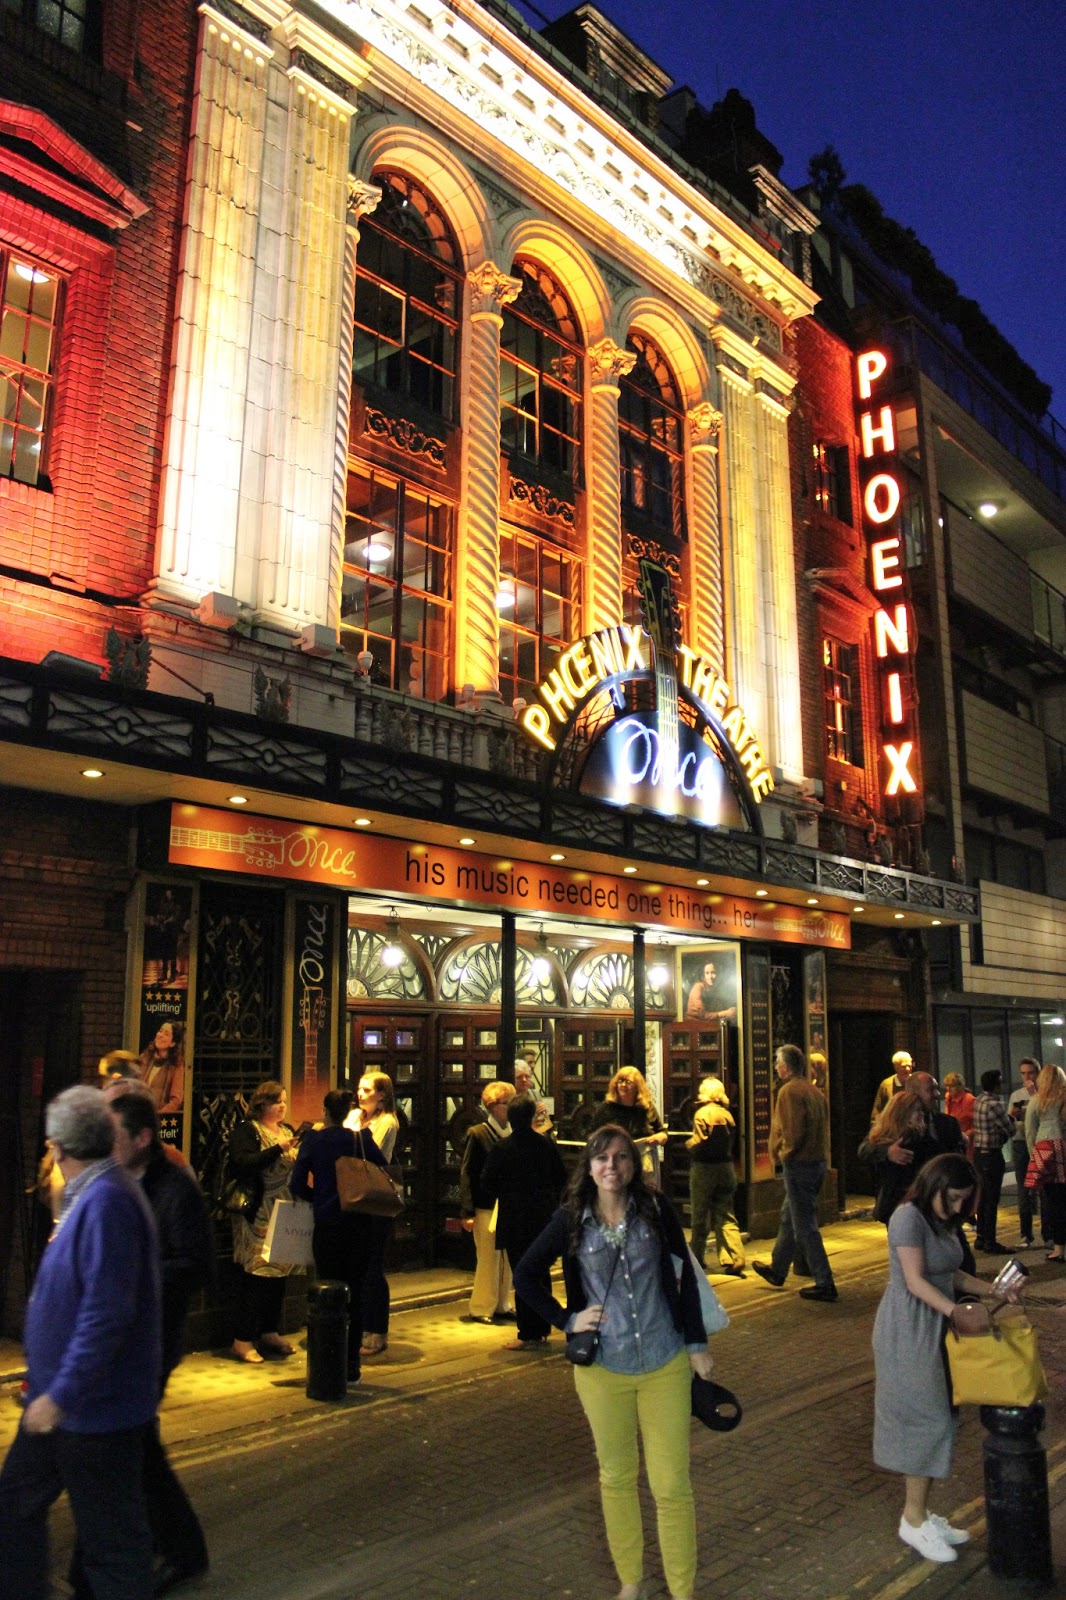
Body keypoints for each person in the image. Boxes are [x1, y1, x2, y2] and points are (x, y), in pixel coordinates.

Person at [513, 1125, 714, 1600]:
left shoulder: (656, 1208)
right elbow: (525, 1274)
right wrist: (568, 1320)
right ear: (588, 1165)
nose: (612, 1167)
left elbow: (684, 1278)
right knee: (618, 1478)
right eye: (602, 1158)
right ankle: (632, 1583)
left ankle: (684, 1591)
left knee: (671, 1485)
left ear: (633, 1165)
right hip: (604, 1368)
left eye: (622, 1158)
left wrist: (697, 1343)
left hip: (664, 1359)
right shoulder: (571, 1219)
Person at [0, 1085, 160, 1600]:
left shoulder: (108, 1201)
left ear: (60, 1146)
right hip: (61, 1403)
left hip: (93, 1410)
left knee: (112, 1545)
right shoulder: (87, 1195)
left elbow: (106, 1314)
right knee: (15, 1505)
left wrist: (60, 1394)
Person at [872, 1152, 1022, 1564]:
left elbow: (950, 1273)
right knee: (928, 1418)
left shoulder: (942, 1219)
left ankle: (920, 1513)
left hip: (939, 1326)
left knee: (944, 1418)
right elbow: (916, 1280)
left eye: (964, 1201)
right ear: (935, 1186)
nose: (958, 1208)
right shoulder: (907, 1217)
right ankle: (913, 1518)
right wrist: (955, 1310)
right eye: (953, 1198)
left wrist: (992, 1290)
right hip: (910, 1328)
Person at [95, 1085, 213, 1596]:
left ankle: (169, 1552)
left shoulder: (176, 1189)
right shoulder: (116, 1182)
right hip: (118, 1336)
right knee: (133, 1447)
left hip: (154, 1339)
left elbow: (195, 1265)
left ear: (143, 1137)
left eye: (114, 1134)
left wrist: (135, 1275)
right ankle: (166, 1550)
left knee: (132, 1446)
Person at [292, 1089, 388, 1384]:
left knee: (327, 1291)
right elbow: (382, 1165)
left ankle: (327, 1359)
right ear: (348, 1112)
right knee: (356, 1292)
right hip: (359, 1224)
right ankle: (352, 1365)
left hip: (327, 1226)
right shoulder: (361, 1139)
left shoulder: (315, 1141)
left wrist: (319, 1198)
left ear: (325, 1111)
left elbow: (296, 1184)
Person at [481, 1096, 568, 1349]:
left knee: (522, 1273)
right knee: (541, 1271)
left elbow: (487, 1182)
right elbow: (561, 1178)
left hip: (515, 1216)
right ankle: (544, 1324)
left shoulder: (503, 1148)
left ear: (510, 1116)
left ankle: (529, 1332)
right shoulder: (546, 1146)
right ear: (531, 1117)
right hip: (543, 1216)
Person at [752, 1044, 837, 1302]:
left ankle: (825, 1282)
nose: (775, 1067)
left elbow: (793, 1131)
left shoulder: (789, 1092)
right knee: (789, 1217)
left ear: (786, 1066)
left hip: (799, 1165)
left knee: (804, 1227)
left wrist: (784, 1155)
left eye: (777, 1062)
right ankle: (778, 1269)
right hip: (815, 1163)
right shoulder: (814, 1091)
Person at [227, 1080, 303, 1363]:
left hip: (286, 1209)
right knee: (256, 1276)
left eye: (284, 1101)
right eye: (276, 1102)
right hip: (259, 1211)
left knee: (278, 1275)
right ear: (262, 1105)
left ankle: (270, 1331)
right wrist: (277, 1150)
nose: (282, 1106)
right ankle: (242, 1338)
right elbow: (242, 1163)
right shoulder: (249, 1131)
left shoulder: (287, 1130)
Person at [344, 1071, 400, 1356]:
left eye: (367, 1090)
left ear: (382, 1095)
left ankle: (377, 1330)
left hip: (374, 1199)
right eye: (359, 1089)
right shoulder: (357, 1117)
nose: (360, 1094)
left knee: (373, 1267)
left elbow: (367, 1152)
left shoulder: (387, 1122)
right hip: (354, 1196)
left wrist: (352, 1130)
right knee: (358, 1264)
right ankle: (361, 1324)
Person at [459, 1080, 516, 1324]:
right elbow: (467, 1172)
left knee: (507, 1257)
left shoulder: (515, 1132)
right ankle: (482, 1306)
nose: (510, 1108)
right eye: (506, 1103)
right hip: (485, 1205)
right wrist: (467, 1210)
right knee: (488, 1257)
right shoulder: (478, 1133)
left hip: (509, 1204)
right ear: (493, 1106)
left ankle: (503, 1303)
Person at [685, 1075, 745, 1276]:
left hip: (704, 1169)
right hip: (726, 1168)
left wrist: (688, 1145)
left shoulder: (702, 1113)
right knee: (726, 1215)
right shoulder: (727, 1114)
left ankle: (696, 1258)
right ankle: (735, 1256)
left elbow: (700, 1140)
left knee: (700, 1216)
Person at [859, 1090, 929, 1224]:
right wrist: (887, 1152)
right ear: (903, 1113)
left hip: (901, 1203)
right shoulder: (905, 1136)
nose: (922, 1114)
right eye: (917, 1111)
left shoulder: (918, 1134)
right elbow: (864, 1150)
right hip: (902, 1202)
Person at [592, 1067, 668, 1184]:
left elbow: (662, 1132)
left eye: (628, 1082)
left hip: (644, 1160)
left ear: (638, 1086)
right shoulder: (606, 1108)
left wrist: (660, 1138)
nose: (623, 1085)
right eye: (620, 1081)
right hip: (615, 1160)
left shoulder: (646, 1108)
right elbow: (593, 1135)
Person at [1024, 1063, 1066, 1263]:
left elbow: (1030, 1130)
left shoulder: (1036, 1101)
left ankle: (1058, 1248)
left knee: (1053, 1200)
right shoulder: (1064, 1099)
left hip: (1044, 1149)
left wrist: (1033, 1154)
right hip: (1064, 1148)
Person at [971, 1069, 1013, 1254]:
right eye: (1000, 1082)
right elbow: (1010, 1129)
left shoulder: (979, 1100)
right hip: (992, 1154)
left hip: (979, 1152)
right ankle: (990, 1241)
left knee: (982, 1197)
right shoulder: (995, 1104)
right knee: (991, 1198)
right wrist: (1013, 1117)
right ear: (996, 1084)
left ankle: (981, 1237)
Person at [1008, 1057, 1041, 1246]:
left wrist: (1034, 1094)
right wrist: (1014, 1116)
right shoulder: (1016, 1095)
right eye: (1023, 1073)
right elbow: (1011, 1123)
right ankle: (1026, 1234)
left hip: (1039, 1143)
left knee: (1045, 1189)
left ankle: (1050, 1233)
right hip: (1021, 1143)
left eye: (1030, 1073)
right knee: (1024, 1189)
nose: (1027, 1077)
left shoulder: (1044, 1094)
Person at [138, 1021, 185, 1114]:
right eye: (160, 1031)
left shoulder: (176, 1065)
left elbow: (176, 1100)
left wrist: (159, 1115)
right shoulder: (144, 1057)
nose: (160, 1035)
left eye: (166, 1034)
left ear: (172, 1043)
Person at [685, 957, 736, 1022]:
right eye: (707, 973)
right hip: (694, 1027)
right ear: (703, 976)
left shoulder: (712, 988)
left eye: (713, 972)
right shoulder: (698, 987)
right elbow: (703, 1015)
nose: (710, 976)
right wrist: (725, 1013)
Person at [870, 1050, 913, 1123]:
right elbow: (877, 1111)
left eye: (909, 1066)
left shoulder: (916, 1082)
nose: (907, 1069)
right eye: (903, 1066)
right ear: (896, 1067)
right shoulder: (886, 1085)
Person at [942, 1074, 976, 1159]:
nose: (948, 1089)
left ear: (960, 1086)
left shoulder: (969, 1100)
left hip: (968, 1145)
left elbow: (979, 1124)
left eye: (951, 1086)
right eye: (947, 1086)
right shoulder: (948, 1097)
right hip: (953, 1142)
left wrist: (967, 1134)